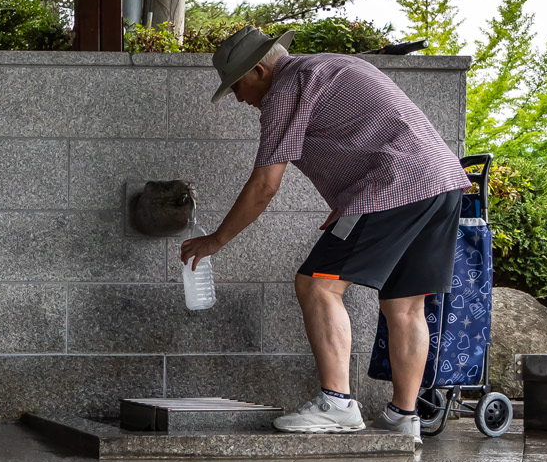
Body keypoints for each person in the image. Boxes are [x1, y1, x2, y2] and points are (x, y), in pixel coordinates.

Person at [178, 28, 470, 440]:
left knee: (317, 285)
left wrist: (215, 241)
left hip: (392, 186)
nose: (241, 99)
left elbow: (265, 185)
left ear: (260, 70)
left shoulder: (285, 89)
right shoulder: (334, 64)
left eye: (238, 86)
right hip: (441, 185)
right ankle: (404, 417)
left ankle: (336, 404)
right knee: (406, 306)